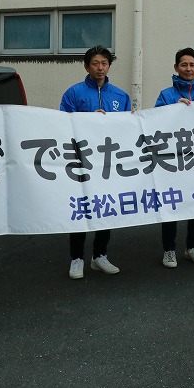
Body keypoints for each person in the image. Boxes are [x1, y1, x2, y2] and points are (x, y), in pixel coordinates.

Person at [61, 45, 131, 279]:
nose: (100, 68)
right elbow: (63, 123)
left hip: (108, 162)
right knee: (81, 208)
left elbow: (127, 129)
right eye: (95, 63)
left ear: (109, 66)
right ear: (86, 66)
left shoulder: (120, 96)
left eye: (104, 63)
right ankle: (76, 258)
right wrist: (89, 120)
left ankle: (100, 255)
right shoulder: (73, 93)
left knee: (105, 207)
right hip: (81, 161)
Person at [154, 47, 194, 268]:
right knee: (172, 202)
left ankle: (192, 247)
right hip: (173, 159)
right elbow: (155, 122)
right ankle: (169, 250)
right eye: (184, 65)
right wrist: (173, 109)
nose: (188, 69)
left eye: (192, 65)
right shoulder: (166, 95)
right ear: (176, 67)